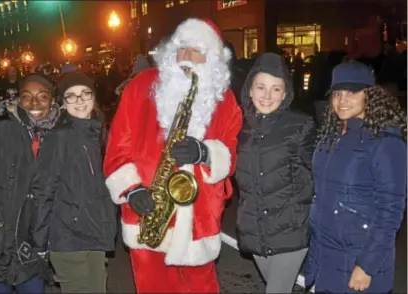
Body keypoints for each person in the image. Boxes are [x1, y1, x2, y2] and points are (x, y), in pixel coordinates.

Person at [103, 18, 242, 293]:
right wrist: (131, 190)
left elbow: (230, 153)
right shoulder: (140, 86)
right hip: (148, 210)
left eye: (196, 50)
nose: (186, 57)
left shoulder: (225, 100)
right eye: (182, 48)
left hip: (198, 217)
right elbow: (117, 147)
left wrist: (205, 152)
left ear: (212, 59)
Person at [305, 61, 407, 293]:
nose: (343, 100)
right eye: (337, 93)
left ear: (369, 95)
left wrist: (367, 266)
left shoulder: (385, 142)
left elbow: (390, 210)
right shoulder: (330, 136)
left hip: (359, 256)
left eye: (352, 92)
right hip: (326, 252)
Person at [0, 73, 61, 293]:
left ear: (53, 100)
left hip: (32, 247)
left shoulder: (58, 134)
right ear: (18, 99)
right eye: (27, 96)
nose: (34, 103)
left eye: (42, 96)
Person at [235, 52, 316, 293]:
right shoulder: (238, 126)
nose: (267, 96)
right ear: (249, 89)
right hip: (254, 229)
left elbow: (318, 171)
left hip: (290, 230)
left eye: (276, 89)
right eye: (261, 87)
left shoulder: (300, 125)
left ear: (286, 93)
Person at [31, 72, 117, 293]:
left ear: (93, 97)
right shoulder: (59, 136)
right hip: (68, 237)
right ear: (62, 103)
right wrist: (39, 243)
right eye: (71, 96)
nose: (79, 101)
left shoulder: (97, 133)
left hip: (95, 232)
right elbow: (43, 190)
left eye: (84, 93)